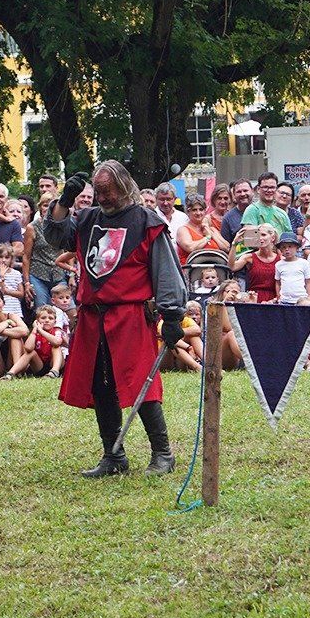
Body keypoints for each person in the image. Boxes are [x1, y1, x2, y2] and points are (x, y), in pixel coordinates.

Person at [42, 160, 188, 476]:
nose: (105, 198)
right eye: (100, 192)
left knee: (141, 383)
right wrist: (64, 203)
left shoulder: (146, 221)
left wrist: (173, 314)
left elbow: (165, 270)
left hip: (130, 315)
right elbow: (54, 236)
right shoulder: (87, 219)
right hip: (93, 318)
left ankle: (162, 454)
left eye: (109, 191)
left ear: (123, 186)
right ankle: (114, 456)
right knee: (101, 385)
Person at [273, 232, 310, 304]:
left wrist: (309, 297)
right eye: (284, 247)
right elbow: (278, 282)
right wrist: (278, 296)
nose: (287, 249)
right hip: (285, 300)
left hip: (301, 299)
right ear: (280, 250)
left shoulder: (304, 263)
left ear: (297, 248)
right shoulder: (279, 265)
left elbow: (308, 281)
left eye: (290, 246)